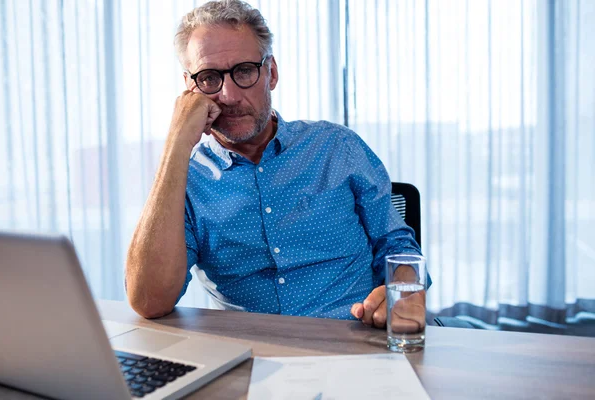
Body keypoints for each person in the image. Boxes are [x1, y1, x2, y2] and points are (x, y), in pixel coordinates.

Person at [125, 0, 429, 330]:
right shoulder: (187, 180)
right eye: (209, 78)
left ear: (271, 72)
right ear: (190, 88)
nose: (227, 95)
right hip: (253, 361)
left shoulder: (337, 148)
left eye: (243, 71)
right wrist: (175, 144)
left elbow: (400, 250)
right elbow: (148, 301)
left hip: (356, 344)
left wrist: (405, 293)